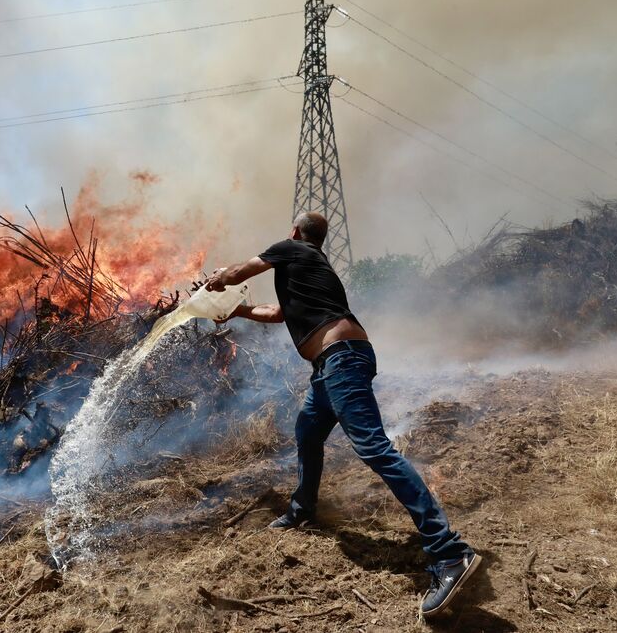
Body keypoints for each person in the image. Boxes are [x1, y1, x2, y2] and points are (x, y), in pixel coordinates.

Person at [205, 212, 480, 617]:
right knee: (308, 433)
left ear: (295, 232)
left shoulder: (291, 250)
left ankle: (449, 553)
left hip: (342, 360)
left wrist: (218, 280)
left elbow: (241, 269)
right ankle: (303, 511)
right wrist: (241, 312)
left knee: (374, 448)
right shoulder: (312, 268)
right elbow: (278, 314)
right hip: (331, 365)